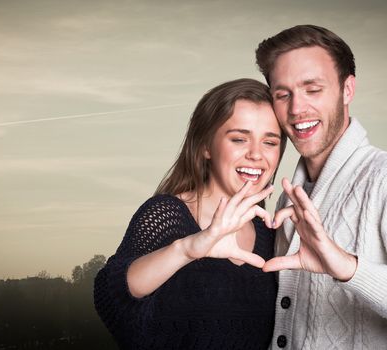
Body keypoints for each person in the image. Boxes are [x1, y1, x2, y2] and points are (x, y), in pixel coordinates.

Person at [254, 25, 387, 349]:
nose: (297, 108)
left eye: (313, 89)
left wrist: (347, 267)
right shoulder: (289, 196)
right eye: (283, 94)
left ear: (347, 90)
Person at [94, 78, 288, 349]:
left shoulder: (270, 235)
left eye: (270, 142)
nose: (256, 154)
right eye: (239, 139)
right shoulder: (167, 214)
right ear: (206, 146)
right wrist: (187, 250)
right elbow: (110, 293)